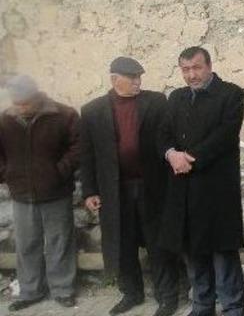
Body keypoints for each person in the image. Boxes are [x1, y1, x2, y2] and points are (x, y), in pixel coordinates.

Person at [79, 57, 182, 316]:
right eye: (132, 77)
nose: (138, 82)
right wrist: (90, 191)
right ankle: (131, 294)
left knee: (158, 244)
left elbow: (169, 139)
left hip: (152, 187)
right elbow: (87, 155)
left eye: (139, 77)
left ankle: (167, 297)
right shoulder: (92, 110)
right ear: (115, 80)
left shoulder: (157, 102)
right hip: (115, 192)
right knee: (122, 244)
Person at [158, 47, 244, 316]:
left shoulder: (231, 94)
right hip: (183, 190)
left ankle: (233, 306)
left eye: (196, 68)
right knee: (192, 251)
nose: (191, 75)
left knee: (222, 252)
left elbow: (225, 135)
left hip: (216, 189)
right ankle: (202, 305)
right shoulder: (176, 97)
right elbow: (163, 133)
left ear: (209, 66)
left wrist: (190, 158)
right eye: (185, 69)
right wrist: (171, 154)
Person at [0, 75, 80, 311]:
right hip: (21, 194)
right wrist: (7, 174)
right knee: (26, 244)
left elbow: (78, 147)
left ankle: (63, 289)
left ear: (36, 97)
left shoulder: (64, 115)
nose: (21, 108)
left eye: (25, 102)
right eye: (17, 103)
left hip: (56, 191)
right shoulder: (4, 120)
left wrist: (59, 171)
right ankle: (31, 291)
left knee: (60, 241)